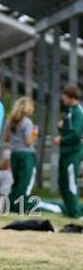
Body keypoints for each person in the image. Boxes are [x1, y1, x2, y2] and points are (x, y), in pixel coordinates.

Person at [3, 97, 38, 213]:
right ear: (26, 108)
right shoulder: (27, 122)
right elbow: (28, 141)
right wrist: (34, 136)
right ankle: (22, 207)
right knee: (25, 182)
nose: (33, 109)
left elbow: (5, 138)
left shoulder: (10, 121)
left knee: (16, 182)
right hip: (26, 154)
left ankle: (11, 205)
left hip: (14, 154)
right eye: (31, 107)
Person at [53, 85, 82, 218]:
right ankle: (68, 209)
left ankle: (75, 212)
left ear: (71, 97)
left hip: (72, 153)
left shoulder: (78, 112)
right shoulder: (68, 111)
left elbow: (76, 134)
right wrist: (62, 126)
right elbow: (68, 128)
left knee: (71, 182)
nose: (62, 98)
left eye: (64, 96)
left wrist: (62, 139)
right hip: (65, 152)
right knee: (62, 181)